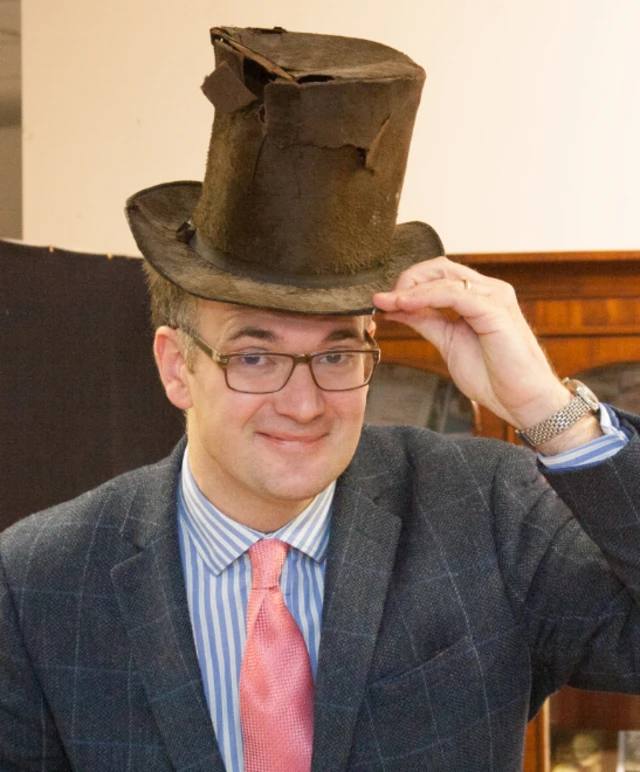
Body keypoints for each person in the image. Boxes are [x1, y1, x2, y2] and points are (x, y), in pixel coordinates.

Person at [1, 25, 638, 772]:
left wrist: (543, 408)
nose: (304, 404)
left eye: (337, 353)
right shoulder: (39, 580)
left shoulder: (485, 511)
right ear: (177, 367)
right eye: (256, 355)